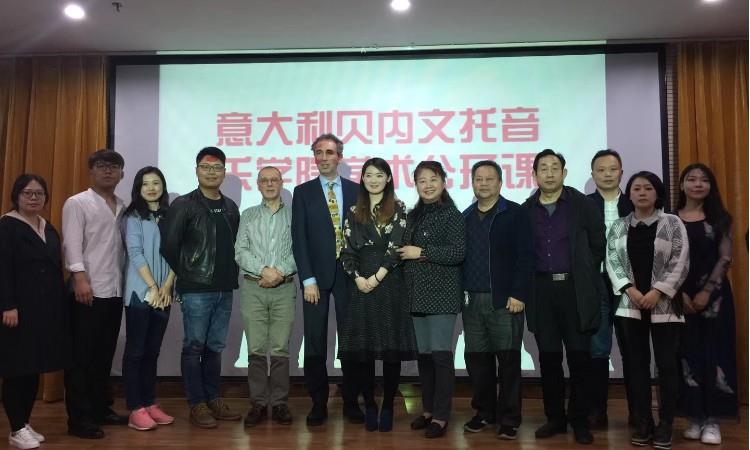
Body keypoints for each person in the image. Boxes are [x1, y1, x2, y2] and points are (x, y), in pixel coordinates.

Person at [521, 149, 604, 445]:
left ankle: (579, 420)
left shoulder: (582, 205)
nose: (549, 173)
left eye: (554, 167)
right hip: (541, 291)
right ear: (534, 175)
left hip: (574, 289)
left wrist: (584, 271)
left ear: (564, 173)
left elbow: (598, 244)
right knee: (549, 358)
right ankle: (555, 417)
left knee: (580, 358)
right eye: (543, 168)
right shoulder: (526, 209)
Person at [606, 171, 689, 450]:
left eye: (648, 188)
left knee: (666, 365)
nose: (642, 193)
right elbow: (612, 261)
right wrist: (630, 289)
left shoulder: (672, 223)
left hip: (663, 305)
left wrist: (657, 292)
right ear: (629, 194)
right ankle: (643, 421)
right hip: (631, 304)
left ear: (657, 193)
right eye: (637, 188)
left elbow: (680, 260)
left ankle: (666, 423)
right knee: (636, 366)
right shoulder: (618, 226)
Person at [161, 146, 242, 428]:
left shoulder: (230, 206)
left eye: (217, 167)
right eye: (206, 167)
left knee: (215, 347)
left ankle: (213, 399)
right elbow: (169, 246)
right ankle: (197, 404)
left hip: (225, 287)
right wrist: (189, 273)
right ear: (196, 171)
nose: (211, 172)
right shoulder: (184, 204)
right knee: (194, 346)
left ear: (224, 172)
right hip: (196, 289)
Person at [338, 158, 417, 432]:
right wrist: (358, 278)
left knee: (391, 351)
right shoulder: (353, 211)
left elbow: (396, 247)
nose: (373, 180)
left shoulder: (399, 207)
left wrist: (376, 277)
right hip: (361, 285)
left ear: (388, 178)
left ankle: (388, 406)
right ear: (362, 179)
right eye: (368, 175)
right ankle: (370, 403)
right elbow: (346, 250)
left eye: (379, 175)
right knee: (365, 351)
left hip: (390, 282)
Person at [291, 133, 361, 426]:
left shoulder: (357, 190)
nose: (323, 157)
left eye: (329, 152)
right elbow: (299, 238)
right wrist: (307, 278)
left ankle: (351, 401)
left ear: (339, 157)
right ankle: (318, 403)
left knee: (351, 342)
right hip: (315, 279)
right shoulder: (303, 192)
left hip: (350, 276)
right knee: (315, 342)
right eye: (318, 152)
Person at [461, 160, 533, 440]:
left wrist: (519, 293)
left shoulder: (515, 213)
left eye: (489, 179)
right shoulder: (465, 216)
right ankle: (484, 412)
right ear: (472, 183)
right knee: (477, 361)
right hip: (472, 301)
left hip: (505, 300)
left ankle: (510, 418)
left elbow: (526, 256)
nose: (483, 183)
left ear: (500, 183)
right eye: (478, 179)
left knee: (508, 361)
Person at [63, 149, 129, 439]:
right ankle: (79, 419)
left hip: (114, 290)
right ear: (91, 171)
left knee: (104, 355)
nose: (108, 170)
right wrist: (79, 277)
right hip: (87, 290)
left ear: (122, 173)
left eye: (114, 166)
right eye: (101, 166)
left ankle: (101, 409)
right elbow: (71, 243)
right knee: (81, 358)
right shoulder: (77, 203)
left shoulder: (122, 205)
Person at [0, 174, 68, 450]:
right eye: (27, 193)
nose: (33, 198)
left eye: (39, 193)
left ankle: (24, 422)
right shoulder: (6, 226)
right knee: (17, 369)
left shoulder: (47, 227)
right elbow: (3, 269)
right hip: (17, 310)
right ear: (16, 196)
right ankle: (16, 428)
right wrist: (8, 305)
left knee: (33, 368)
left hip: (45, 310)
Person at [399, 160, 466, 439]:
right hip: (416, 295)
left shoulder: (452, 215)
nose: (427, 185)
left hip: (441, 296)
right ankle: (428, 410)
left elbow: (458, 252)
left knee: (440, 356)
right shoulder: (412, 215)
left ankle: (441, 416)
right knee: (424, 357)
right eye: (422, 181)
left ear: (443, 181)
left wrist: (422, 252)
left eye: (433, 179)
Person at [676, 163, 738, 445]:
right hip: (679, 296)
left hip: (715, 297)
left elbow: (725, 258)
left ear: (711, 186)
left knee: (715, 354)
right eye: (692, 179)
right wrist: (679, 294)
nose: (697, 184)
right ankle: (694, 417)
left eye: (704, 180)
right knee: (687, 354)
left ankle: (713, 420)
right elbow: (665, 259)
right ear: (682, 185)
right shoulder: (671, 219)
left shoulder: (720, 218)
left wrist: (706, 292)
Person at [235, 166, 297, 428]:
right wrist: (264, 270)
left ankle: (280, 403)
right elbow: (240, 251)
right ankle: (258, 403)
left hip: (285, 287)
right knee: (256, 348)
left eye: (274, 180)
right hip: (253, 287)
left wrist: (278, 272)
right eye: (265, 180)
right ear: (258, 184)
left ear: (282, 183)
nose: (270, 184)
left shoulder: (295, 215)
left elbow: (300, 249)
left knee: (281, 348)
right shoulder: (248, 215)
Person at [121, 167, 176, 431]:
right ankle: (135, 408)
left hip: (164, 292)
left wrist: (167, 286)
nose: (151, 188)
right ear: (138, 188)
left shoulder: (171, 215)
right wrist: (153, 286)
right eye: (145, 184)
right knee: (136, 351)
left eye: (156, 183)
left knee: (152, 351)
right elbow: (135, 252)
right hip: (140, 291)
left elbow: (178, 251)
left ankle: (150, 402)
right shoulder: (132, 216)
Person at [586, 149, 634, 428]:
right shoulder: (583, 205)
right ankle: (597, 411)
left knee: (632, 349)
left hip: (629, 286)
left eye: (612, 169)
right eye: (601, 169)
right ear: (592, 174)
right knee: (598, 349)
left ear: (621, 173)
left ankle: (637, 412)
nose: (607, 174)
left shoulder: (634, 203)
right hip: (596, 284)